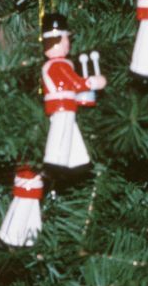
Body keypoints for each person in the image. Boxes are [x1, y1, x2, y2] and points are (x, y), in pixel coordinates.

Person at [39, 12, 105, 169]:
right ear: (58, 41)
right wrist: (92, 82)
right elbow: (75, 83)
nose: (68, 43)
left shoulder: (54, 64)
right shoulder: (60, 64)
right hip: (62, 104)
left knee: (70, 130)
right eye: (66, 39)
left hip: (63, 104)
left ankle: (78, 160)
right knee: (61, 131)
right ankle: (54, 162)